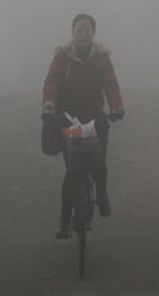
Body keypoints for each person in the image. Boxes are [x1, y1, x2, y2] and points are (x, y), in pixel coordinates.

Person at [41, 13, 124, 239]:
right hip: (69, 119)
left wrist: (116, 107)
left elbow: (110, 84)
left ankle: (102, 195)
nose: (83, 34)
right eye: (79, 30)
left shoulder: (102, 58)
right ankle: (65, 220)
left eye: (87, 31)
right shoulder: (63, 56)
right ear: (73, 32)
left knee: (98, 163)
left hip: (95, 119)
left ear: (93, 34)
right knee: (73, 171)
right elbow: (52, 82)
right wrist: (49, 105)